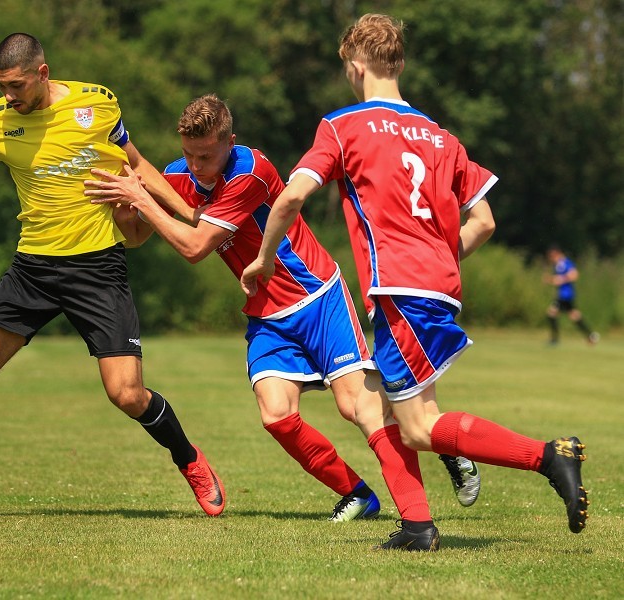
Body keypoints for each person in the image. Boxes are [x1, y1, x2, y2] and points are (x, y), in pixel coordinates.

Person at [240, 14, 589, 548]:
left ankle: (548, 455)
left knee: (420, 426)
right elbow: (486, 221)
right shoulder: (441, 136)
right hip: (435, 287)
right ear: (398, 63)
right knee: (372, 405)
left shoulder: (342, 126)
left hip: (401, 290)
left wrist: (264, 259)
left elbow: (289, 197)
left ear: (355, 66)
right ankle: (417, 525)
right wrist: (438, 265)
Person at [85, 94, 481, 537]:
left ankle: (438, 438)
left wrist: (145, 195)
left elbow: (195, 247)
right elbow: (139, 234)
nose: (195, 165)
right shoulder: (181, 176)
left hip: (316, 297)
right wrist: (124, 208)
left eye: (206, 155)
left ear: (229, 142)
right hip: (266, 313)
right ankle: (358, 494)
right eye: (188, 155)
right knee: (276, 415)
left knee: (356, 407)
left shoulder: (250, 171)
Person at [0, 33, 225, 517]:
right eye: (1, 85)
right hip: (32, 268)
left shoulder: (98, 103)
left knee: (127, 394)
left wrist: (190, 214)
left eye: (17, 85)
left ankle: (190, 460)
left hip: (97, 268)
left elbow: (138, 167)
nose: (9, 95)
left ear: (43, 74)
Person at [544, 245, 599, 345]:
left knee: (551, 313)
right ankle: (591, 335)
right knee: (574, 315)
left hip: (565, 295)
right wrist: (552, 280)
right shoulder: (558, 264)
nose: (551, 258)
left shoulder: (564, 263)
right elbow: (558, 279)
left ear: (556, 253)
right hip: (565, 295)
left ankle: (554, 340)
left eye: (551, 256)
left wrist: (559, 280)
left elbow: (574, 275)